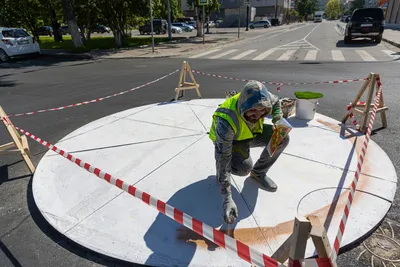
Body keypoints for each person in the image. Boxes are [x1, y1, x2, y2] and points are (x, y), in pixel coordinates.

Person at [209, 80, 290, 224]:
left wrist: (277, 118)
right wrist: (227, 198)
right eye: (253, 110)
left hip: (249, 134)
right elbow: (223, 158)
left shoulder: (262, 98)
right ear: (243, 105)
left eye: (262, 111)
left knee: (282, 138)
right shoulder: (226, 121)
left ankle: (258, 173)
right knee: (243, 168)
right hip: (231, 139)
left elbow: (276, 101)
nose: (257, 116)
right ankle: (222, 175)